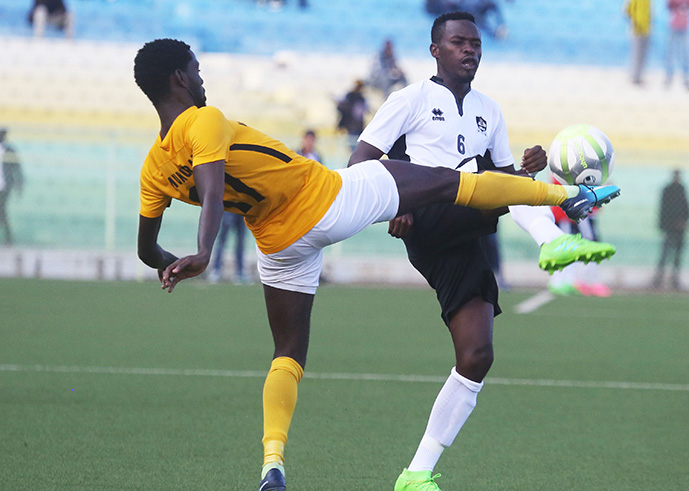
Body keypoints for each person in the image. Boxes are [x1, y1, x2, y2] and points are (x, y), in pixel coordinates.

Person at [132, 38, 620, 491]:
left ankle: (273, 463)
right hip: (328, 200)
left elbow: (146, 251)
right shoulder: (203, 119)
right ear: (178, 78)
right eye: (196, 72)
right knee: (451, 182)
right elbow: (213, 188)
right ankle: (570, 197)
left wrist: (175, 262)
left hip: (278, 243)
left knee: (287, 354)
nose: (202, 81)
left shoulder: (153, 168)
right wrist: (204, 253)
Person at [348, 12, 617, 490]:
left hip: (464, 234)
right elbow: (360, 163)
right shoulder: (408, 100)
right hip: (426, 217)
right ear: (436, 50)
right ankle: (555, 238)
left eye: (475, 43)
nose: (470, 50)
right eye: (458, 43)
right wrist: (391, 204)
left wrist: (527, 168)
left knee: (476, 355)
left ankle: (416, 473)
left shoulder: (489, 111)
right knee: (493, 182)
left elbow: (507, 181)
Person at [652, 169, 689, 290]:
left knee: (676, 256)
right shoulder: (668, 190)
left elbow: (686, 208)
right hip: (670, 227)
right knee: (665, 254)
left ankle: (674, 279)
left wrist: (683, 222)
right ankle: (659, 278)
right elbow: (664, 209)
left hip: (679, 228)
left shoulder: (682, 189)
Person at [665, 0, 689, 91]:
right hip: (675, 25)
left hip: (684, 26)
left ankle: (685, 78)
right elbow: (669, 5)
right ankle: (670, 77)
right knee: (672, 53)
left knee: (684, 54)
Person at [208, 211, 249, 283]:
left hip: (243, 211)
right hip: (229, 209)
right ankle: (216, 270)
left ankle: (240, 272)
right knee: (222, 241)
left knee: (240, 242)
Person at [0, 128, 24, 246]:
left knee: (2, 211)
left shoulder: (10, 150)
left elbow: (17, 168)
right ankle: (8, 238)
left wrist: (19, 185)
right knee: (2, 212)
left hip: (4, 187)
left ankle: (8, 238)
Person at [625, 0, 651, 86]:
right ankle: (635, 76)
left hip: (645, 30)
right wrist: (635, 23)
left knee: (642, 55)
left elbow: (648, 13)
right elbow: (628, 11)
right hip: (637, 30)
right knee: (636, 54)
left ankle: (639, 76)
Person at [336, 79, 368, 150]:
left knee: (356, 147)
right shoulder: (351, 96)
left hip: (357, 127)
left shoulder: (360, 98)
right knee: (354, 147)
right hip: (352, 126)